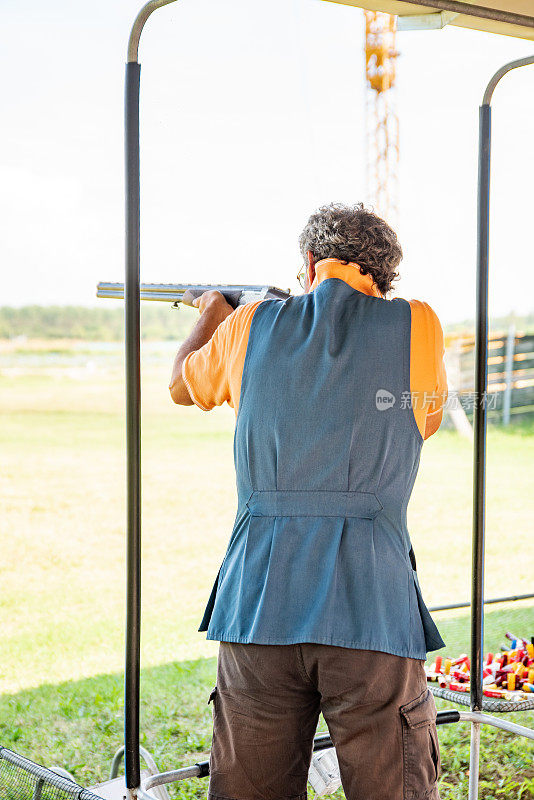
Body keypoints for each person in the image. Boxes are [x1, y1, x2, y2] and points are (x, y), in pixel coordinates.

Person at [169, 202, 447, 800]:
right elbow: (424, 417)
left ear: (311, 261)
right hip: (373, 604)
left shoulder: (248, 328)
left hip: (258, 604)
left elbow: (180, 385)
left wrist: (212, 318)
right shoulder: (417, 323)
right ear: (385, 273)